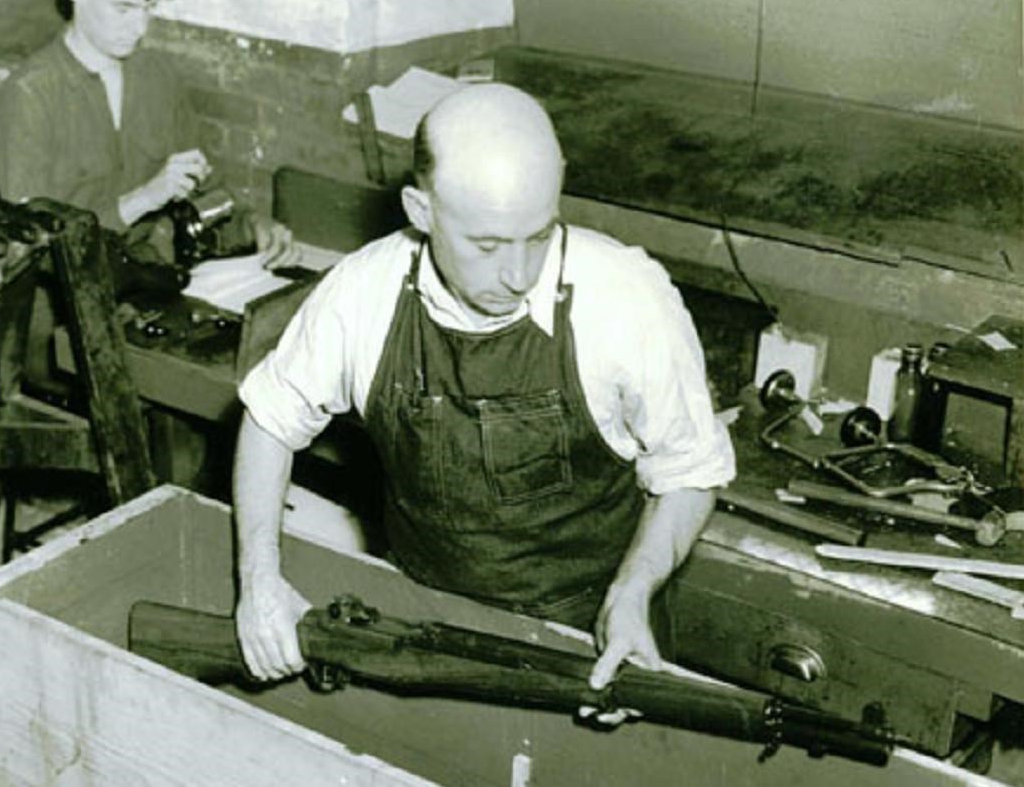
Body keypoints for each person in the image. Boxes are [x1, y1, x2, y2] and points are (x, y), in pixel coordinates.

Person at [231, 84, 734, 692]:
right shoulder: (363, 294)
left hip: (594, 637)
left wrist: (633, 590)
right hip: (421, 621)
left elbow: (690, 472)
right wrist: (260, 584)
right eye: (487, 245)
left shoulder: (627, 299)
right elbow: (269, 419)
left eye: (540, 234)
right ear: (422, 212)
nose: (518, 275)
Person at [0, 0, 294, 263]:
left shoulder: (157, 77)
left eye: (148, 9)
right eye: (123, 8)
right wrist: (143, 199)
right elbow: (32, 252)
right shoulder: (27, 97)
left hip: (153, 287)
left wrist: (254, 225)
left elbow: (207, 191)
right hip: (68, 308)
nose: (138, 28)